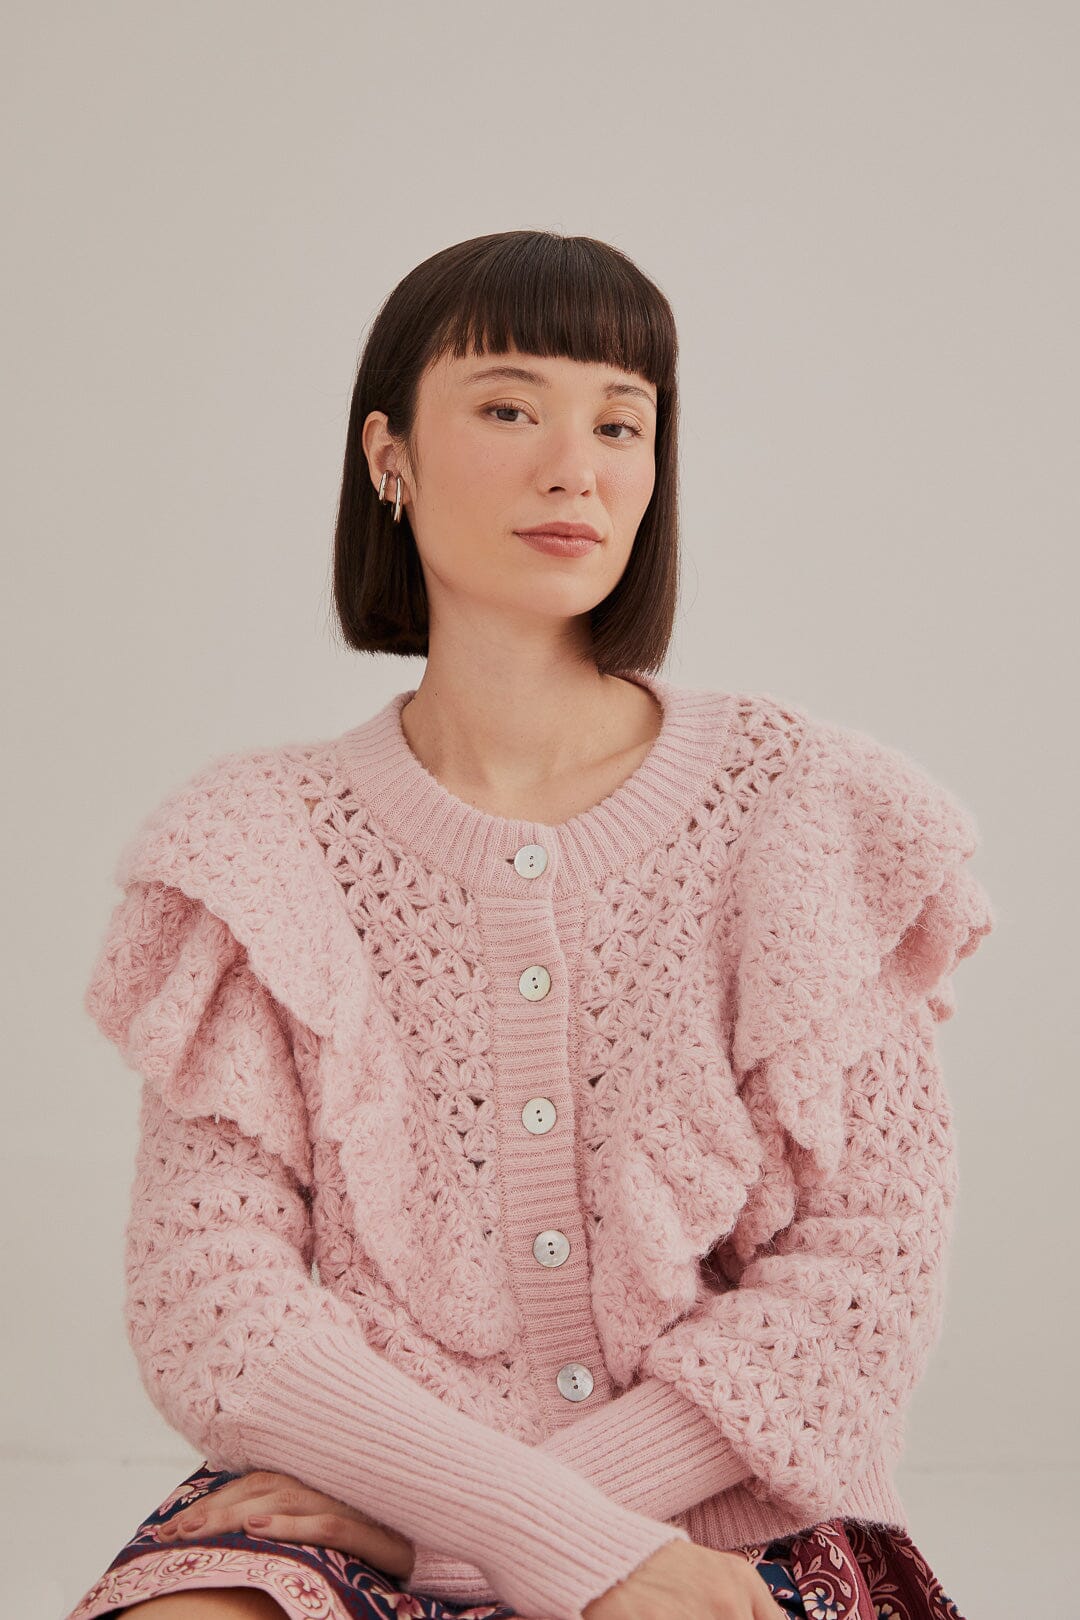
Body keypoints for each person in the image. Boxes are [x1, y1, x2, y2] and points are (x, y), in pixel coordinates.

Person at [66, 230, 991, 1620]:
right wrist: (494, 1519)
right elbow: (210, 1297)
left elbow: (865, 1273)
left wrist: (514, 1535)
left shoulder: (809, 810)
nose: (577, 468)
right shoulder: (257, 845)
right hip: (347, 1496)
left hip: (719, 1510)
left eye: (621, 423)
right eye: (509, 409)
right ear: (388, 454)